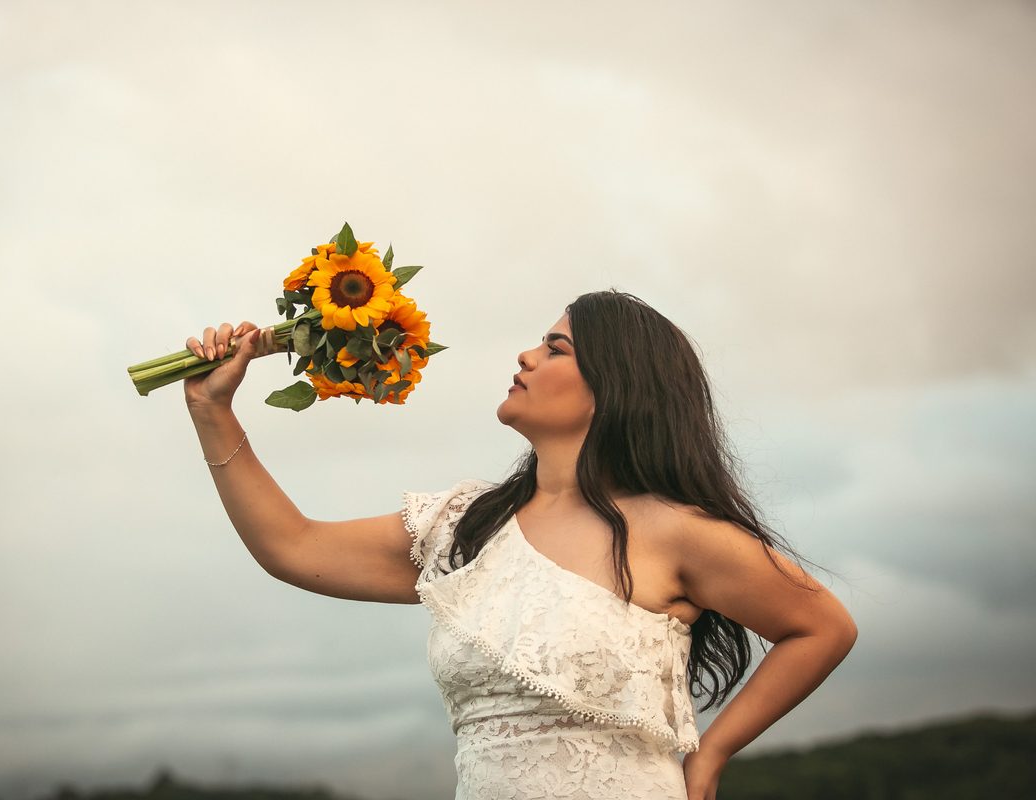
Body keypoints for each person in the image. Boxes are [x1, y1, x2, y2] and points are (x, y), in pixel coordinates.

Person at [183, 290, 857, 800]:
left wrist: (711, 755)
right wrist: (213, 411)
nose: (526, 356)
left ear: (617, 386)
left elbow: (821, 626)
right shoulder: (463, 525)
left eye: (556, 349)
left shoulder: (675, 531)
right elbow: (292, 546)